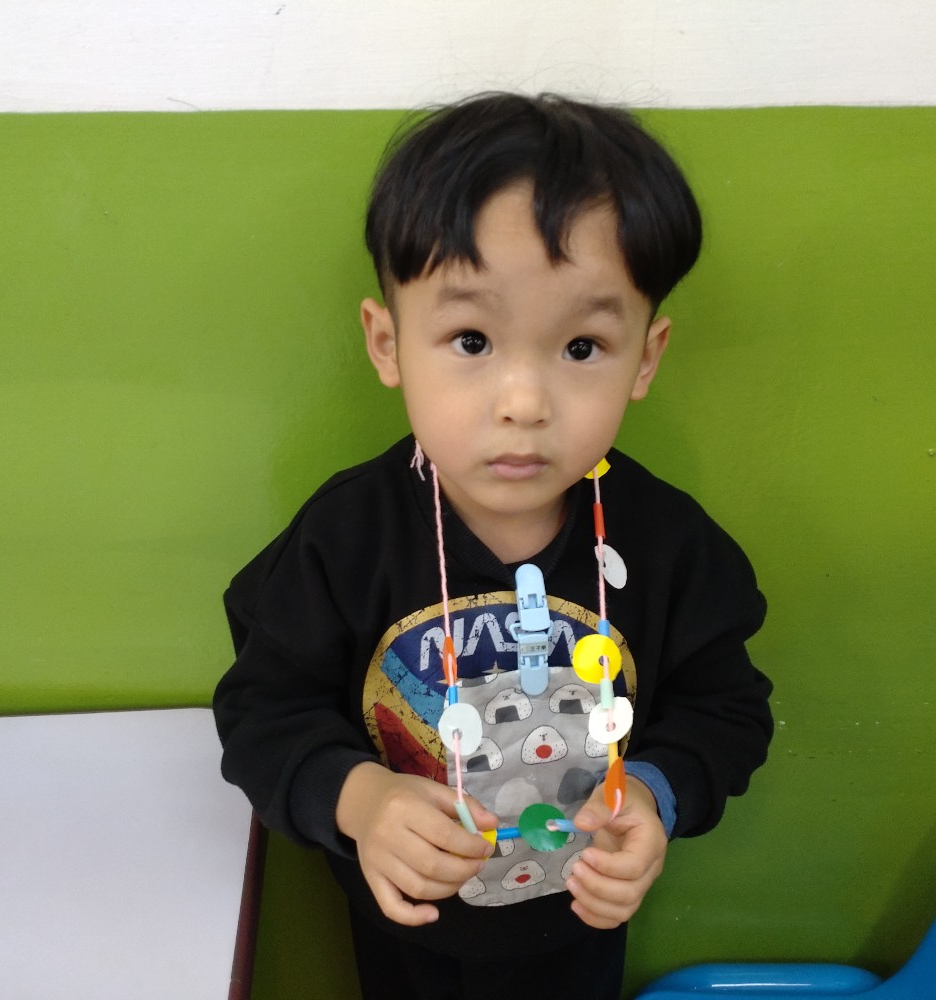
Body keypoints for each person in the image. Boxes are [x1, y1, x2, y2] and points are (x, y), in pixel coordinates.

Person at [214, 92, 773, 1000]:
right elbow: (262, 711)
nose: (523, 402)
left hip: (580, 927)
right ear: (388, 343)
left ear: (645, 357)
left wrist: (656, 795)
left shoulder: (670, 547)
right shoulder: (344, 540)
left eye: (581, 347)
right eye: (470, 339)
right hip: (404, 930)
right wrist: (359, 799)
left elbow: (727, 710)